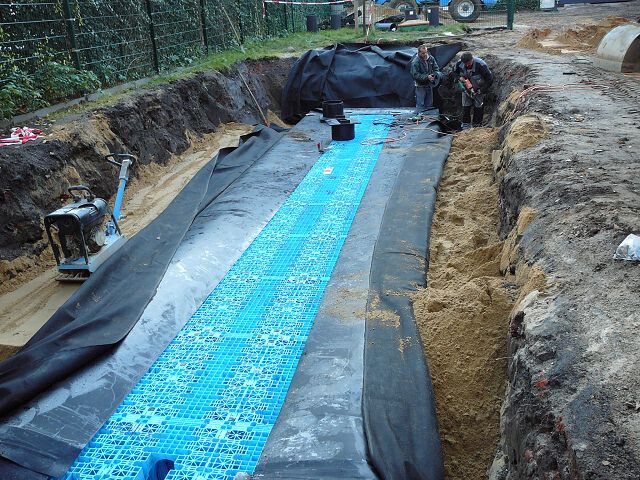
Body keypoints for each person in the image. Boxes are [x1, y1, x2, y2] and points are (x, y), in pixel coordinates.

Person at [453, 51, 493, 129]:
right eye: (466, 64)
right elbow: (454, 72)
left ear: (472, 59)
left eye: (469, 63)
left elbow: (490, 79)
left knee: (478, 107)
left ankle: (477, 126)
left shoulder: (481, 65)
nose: (467, 65)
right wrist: (459, 78)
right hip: (466, 89)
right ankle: (465, 126)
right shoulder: (459, 64)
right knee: (466, 107)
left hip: (479, 89)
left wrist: (481, 90)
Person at [410, 44, 440, 114]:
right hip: (420, 86)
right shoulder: (415, 62)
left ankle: (428, 119)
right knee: (420, 104)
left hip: (429, 85)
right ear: (419, 53)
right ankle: (419, 119)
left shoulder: (431, 58)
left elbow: (436, 69)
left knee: (429, 104)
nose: (425, 54)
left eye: (426, 52)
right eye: (423, 53)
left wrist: (433, 76)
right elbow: (415, 75)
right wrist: (427, 77)